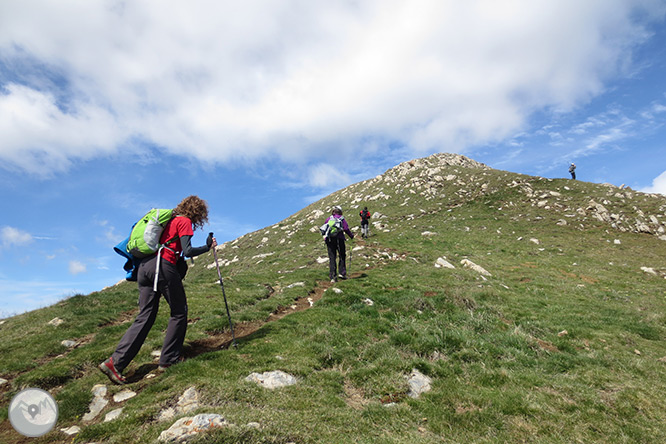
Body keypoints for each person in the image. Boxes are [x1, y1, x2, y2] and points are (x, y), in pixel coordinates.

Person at [99, 196, 217, 384]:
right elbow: (187, 251)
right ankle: (169, 359)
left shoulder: (168, 221)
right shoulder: (184, 221)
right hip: (163, 266)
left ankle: (115, 362)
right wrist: (207, 247)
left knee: (145, 315)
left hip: (145, 268)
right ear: (198, 213)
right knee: (179, 312)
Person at [323, 206, 354, 283]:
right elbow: (346, 228)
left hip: (329, 240)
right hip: (339, 239)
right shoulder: (341, 218)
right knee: (342, 255)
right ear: (340, 211)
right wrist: (351, 236)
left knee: (332, 257)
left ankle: (333, 277)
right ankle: (342, 273)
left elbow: (325, 228)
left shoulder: (329, 219)